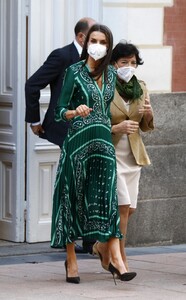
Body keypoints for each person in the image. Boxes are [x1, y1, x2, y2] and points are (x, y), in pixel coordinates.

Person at [51, 24, 137, 284]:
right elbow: (59, 111)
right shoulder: (73, 72)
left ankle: (117, 260)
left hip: (104, 144)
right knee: (72, 198)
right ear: (86, 42)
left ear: (108, 47)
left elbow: (130, 97)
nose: (98, 45)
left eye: (103, 41)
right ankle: (71, 259)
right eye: (94, 40)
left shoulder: (111, 75)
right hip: (77, 144)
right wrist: (75, 111)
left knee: (108, 201)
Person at [25, 17, 96, 254]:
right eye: (93, 37)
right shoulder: (62, 56)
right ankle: (67, 238)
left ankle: (88, 240)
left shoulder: (96, 61)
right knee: (71, 184)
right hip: (66, 129)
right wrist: (34, 120)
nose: (98, 43)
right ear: (81, 37)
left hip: (90, 130)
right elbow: (32, 84)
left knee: (86, 182)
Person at [93, 41, 154, 271]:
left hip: (133, 156)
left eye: (133, 62)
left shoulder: (141, 87)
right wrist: (115, 128)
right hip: (111, 154)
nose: (129, 66)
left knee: (130, 209)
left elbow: (145, 127)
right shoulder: (104, 87)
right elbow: (96, 122)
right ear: (114, 64)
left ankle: (102, 246)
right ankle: (121, 259)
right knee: (122, 207)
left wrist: (149, 114)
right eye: (124, 62)